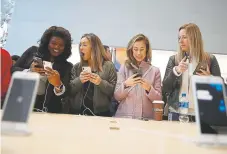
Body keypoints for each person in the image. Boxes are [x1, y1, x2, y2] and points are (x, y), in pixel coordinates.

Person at [162, 23, 221, 119]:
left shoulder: (210, 60)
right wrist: (175, 71)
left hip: (201, 114)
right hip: (176, 112)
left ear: (195, 38)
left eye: (184, 37)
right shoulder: (174, 60)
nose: (180, 41)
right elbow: (165, 88)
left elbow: (221, 90)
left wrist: (210, 78)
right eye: (179, 38)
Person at [11, 26, 73, 113]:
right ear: (47, 42)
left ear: (65, 47)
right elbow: (13, 70)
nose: (57, 47)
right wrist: (29, 71)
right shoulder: (32, 52)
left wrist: (58, 84)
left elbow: (66, 93)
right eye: (53, 43)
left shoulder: (67, 66)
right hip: (22, 105)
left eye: (61, 45)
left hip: (49, 112)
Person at [114, 34, 162, 119]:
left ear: (146, 50)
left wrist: (149, 89)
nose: (138, 53)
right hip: (125, 118)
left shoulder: (155, 71)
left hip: (146, 120)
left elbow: (159, 100)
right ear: (131, 50)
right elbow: (117, 96)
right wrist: (126, 84)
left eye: (142, 49)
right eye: (135, 49)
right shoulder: (124, 67)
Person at [69, 33, 117, 116]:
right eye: (80, 45)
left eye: (84, 45)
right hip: (78, 113)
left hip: (101, 114)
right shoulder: (77, 67)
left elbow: (112, 92)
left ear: (94, 47)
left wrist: (100, 82)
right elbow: (70, 91)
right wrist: (79, 80)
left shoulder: (109, 66)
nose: (81, 48)